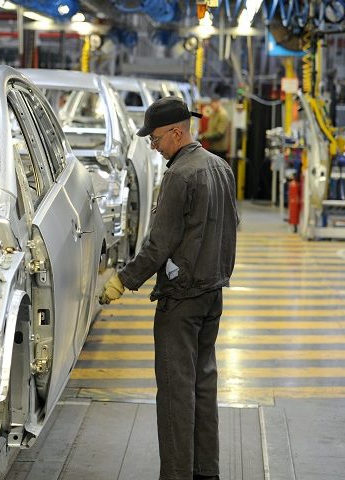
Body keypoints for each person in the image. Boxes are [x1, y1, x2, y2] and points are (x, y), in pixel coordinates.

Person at [99, 96, 237, 480]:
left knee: (177, 393)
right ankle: (205, 471)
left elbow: (159, 245)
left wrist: (122, 281)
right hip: (213, 294)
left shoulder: (180, 176)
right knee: (203, 386)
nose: (154, 147)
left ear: (177, 132)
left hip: (182, 300)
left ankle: (177, 474)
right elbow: (230, 229)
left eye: (156, 139)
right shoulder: (221, 167)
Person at [198, 92, 230, 164]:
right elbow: (211, 130)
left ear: (218, 102)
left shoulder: (223, 115)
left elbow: (219, 134)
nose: (212, 105)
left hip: (219, 150)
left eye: (214, 103)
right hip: (212, 148)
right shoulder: (214, 113)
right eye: (211, 103)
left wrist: (203, 136)